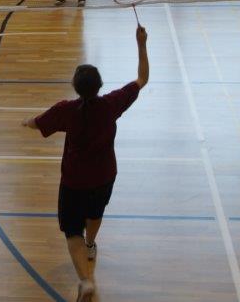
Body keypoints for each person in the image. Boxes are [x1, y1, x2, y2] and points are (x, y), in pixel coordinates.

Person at [21, 24, 149, 301]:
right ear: (100, 85)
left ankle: (85, 281)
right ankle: (91, 244)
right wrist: (141, 44)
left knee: (71, 231)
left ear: (75, 87)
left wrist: (26, 122)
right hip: (105, 176)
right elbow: (142, 78)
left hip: (74, 180)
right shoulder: (112, 104)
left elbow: (38, 123)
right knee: (95, 212)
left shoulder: (66, 110)